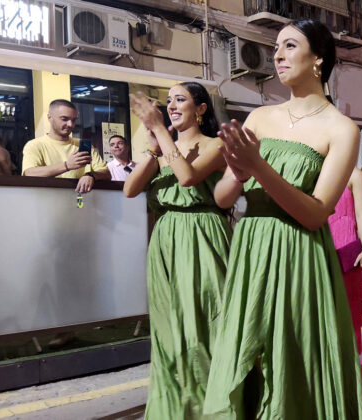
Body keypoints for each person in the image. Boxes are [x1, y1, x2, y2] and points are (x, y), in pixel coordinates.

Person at [203, 19, 362, 419]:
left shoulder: (342, 129)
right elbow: (222, 197)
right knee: (246, 355)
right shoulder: (259, 117)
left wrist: (258, 167)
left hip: (300, 255)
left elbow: (316, 213)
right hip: (251, 251)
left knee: (290, 361)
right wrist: (238, 172)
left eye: (290, 45)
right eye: (276, 47)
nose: (277, 55)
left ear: (318, 58)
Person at [123, 82, 232, 419]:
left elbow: (187, 177)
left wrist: (159, 130)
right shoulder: (163, 148)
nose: (170, 106)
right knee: (169, 328)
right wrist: (153, 150)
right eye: (168, 100)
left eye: (180, 99)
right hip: (166, 239)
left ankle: (213, 407)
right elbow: (130, 189)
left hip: (203, 235)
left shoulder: (215, 145)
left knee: (206, 324)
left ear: (201, 109)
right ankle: (175, 407)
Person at [22, 99, 110, 192]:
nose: (70, 124)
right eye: (64, 119)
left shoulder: (83, 144)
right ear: (49, 117)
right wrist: (67, 165)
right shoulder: (35, 145)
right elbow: (30, 173)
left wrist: (91, 175)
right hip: (47, 198)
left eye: (74, 120)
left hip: (79, 198)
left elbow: (106, 173)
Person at [328, 167, 362, 354]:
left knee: (349, 306)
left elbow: (361, 214)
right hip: (322, 243)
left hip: (346, 244)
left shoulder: (355, 175)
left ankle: (350, 360)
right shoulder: (317, 169)